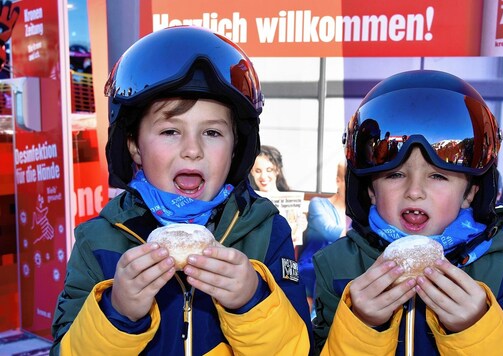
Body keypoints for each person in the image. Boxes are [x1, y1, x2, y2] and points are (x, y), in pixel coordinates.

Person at [50, 26, 311, 355]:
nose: (192, 150)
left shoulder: (265, 232)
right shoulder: (98, 242)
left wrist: (252, 300)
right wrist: (118, 314)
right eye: (171, 130)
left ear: (235, 148)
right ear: (133, 146)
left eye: (212, 133)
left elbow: (300, 349)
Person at [312, 70, 503, 355]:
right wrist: (362, 324)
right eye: (395, 175)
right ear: (370, 190)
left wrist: (475, 327)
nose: (414, 191)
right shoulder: (336, 265)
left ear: (470, 193)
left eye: (438, 176)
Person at [298, 158, 350, 312]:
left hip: (341, 269)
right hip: (312, 268)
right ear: (338, 181)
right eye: (348, 181)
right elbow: (330, 232)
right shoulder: (318, 204)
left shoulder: (358, 212)